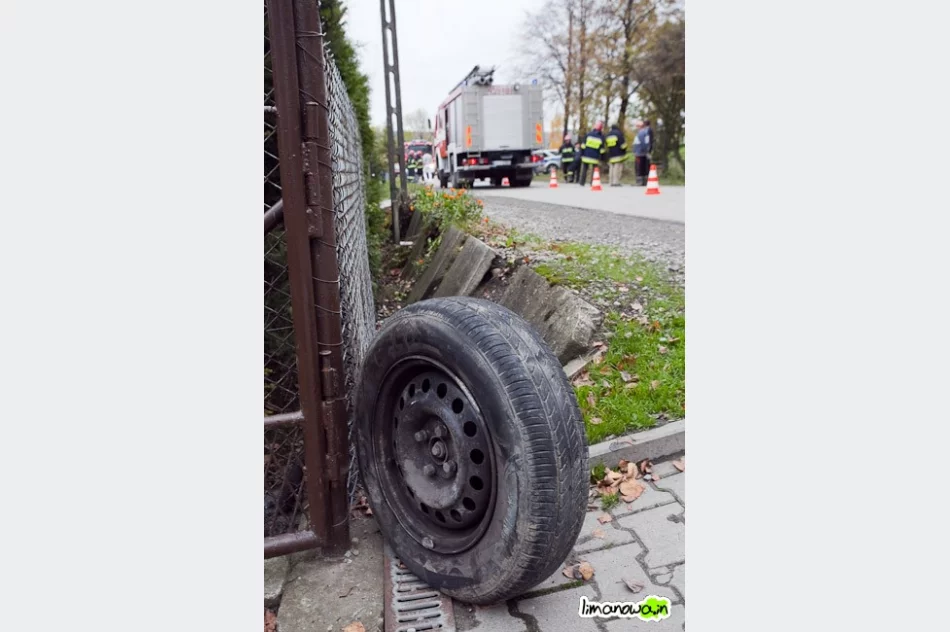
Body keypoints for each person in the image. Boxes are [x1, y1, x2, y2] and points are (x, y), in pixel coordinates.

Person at [578, 121, 606, 186]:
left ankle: (582, 182)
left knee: (584, 169)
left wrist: (581, 154)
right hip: (595, 157)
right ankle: (592, 182)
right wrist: (602, 158)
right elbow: (602, 150)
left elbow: (583, 146)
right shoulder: (601, 137)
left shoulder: (588, 134)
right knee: (594, 170)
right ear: (601, 128)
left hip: (586, 155)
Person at [605, 123, 628, 187]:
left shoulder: (608, 135)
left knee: (611, 168)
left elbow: (606, 144)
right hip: (618, 154)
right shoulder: (619, 134)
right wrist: (625, 149)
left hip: (611, 153)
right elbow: (622, 145)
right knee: (617, 167)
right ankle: (616, 182)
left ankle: (611, 181)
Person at [633, 119, 655, 186]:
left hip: (640, 153)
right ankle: (643, 181)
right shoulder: (643, 132)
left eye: (637, 126)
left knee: (639, 167)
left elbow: (643, 143)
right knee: (642, 167)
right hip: (640, 152)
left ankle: (640, 182)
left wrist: (646, 152)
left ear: (641, 126)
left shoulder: (642, 133)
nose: (636, 127)